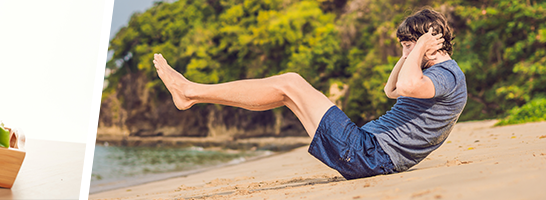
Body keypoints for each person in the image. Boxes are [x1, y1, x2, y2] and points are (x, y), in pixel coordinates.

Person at [153, 9, 465, 179]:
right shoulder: (431, 74)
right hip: (364, 151)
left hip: (368, 155)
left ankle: (190, 91)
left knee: (290, 82)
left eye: (409, 45)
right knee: (287, 92)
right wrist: (408, 53)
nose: (405, 51)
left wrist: (420, 47)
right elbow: (391, 90)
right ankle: (192, 94)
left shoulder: (447, 75)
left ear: (430, 43)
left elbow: (408, 87)